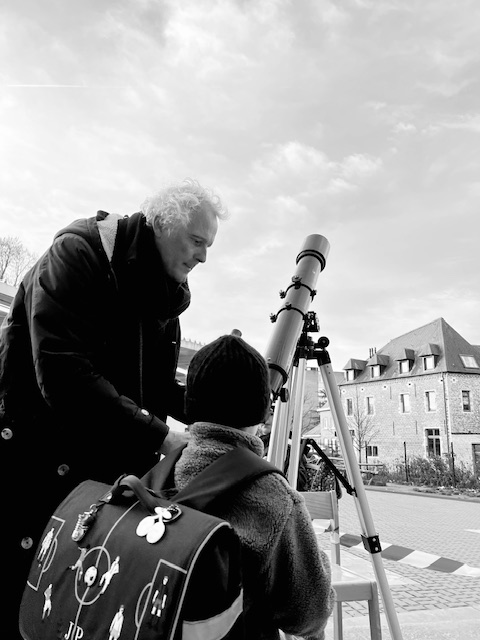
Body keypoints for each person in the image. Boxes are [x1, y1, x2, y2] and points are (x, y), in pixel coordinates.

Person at [0, 177, 227, 637]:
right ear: (161, 225)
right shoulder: (78, 256)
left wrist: (223, 420)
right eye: (196, 240)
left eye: (208, 245)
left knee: (70, 605)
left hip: (94, 478)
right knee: (19, 595)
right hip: (33, 464)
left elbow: (158, 388)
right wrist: (161, 435)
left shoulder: (161, 298)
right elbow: (64, 377)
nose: (204, 256)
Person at [174, 334, 335, 639]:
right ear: (263, 409)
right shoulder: (272, 496)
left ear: (190, 402)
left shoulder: (160, 472)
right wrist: (318, 561)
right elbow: (308, 616)